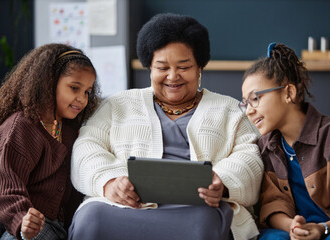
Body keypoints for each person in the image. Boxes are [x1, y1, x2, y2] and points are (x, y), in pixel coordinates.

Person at [68, 13, 263, 240]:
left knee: (205, 222)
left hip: (196, 208)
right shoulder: (116, 105)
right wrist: (109, 182)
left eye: (184, 66)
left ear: (199, 68)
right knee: (91, 218)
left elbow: (250, 155)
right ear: (149, 68)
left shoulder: (230, 110)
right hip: (126, 207)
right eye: (162, 67)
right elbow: (87, 146)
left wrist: (222, 182)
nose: (173, 76)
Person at [240, 43, 330, 240]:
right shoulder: (266, 146)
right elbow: (273, 204)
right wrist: (292, 226)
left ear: (288, 93)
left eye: (255, 98)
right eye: (245, 103)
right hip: (290, 230)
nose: (249, 110)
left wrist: (322, 228)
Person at [0, 43, 100, 240]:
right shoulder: (21, 127)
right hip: (16, 217)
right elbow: (7, 187)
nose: (81, 99)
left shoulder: (70, 131)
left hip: (50, 224)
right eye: (74, 88)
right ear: (48, 82)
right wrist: (22, 218)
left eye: (87, 91)